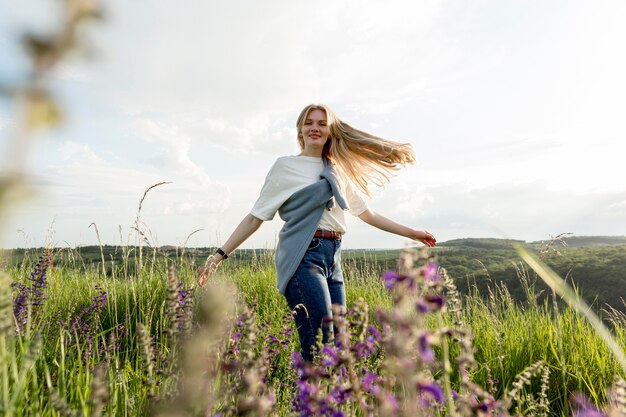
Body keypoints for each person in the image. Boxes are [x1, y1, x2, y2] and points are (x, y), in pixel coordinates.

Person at [198, 103, 436, 361]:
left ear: (331, 130)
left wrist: (411, 232)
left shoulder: (336, 170)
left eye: (322, 123)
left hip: (334, 260)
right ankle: (309, 398)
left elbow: (367, 214)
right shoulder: (285, 167)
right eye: (309, 122)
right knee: (319, 340)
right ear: (300, 130)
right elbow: (255, 217)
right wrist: (219, 255)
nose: (315, 128)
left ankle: (328, 400)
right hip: (304, 258)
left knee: (339, 343)